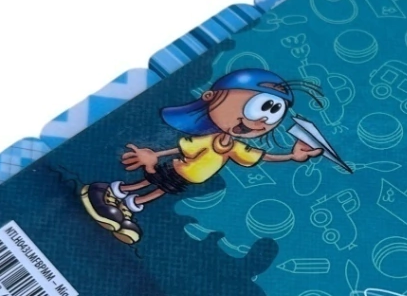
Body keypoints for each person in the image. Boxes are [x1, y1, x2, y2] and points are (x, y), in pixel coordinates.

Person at [81, 69, 323, 243]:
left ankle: (128, 209)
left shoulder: (233, 147)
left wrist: (292, 156)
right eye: (260, 107)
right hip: (176, 167)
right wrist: (153, 155)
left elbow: (262, 156)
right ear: (210, 97)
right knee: (150, 181)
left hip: (187, 178)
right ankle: (112, 192)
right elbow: (180, 148)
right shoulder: (208, 139)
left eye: (272, 114)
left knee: (161, 190)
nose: (261, 121)